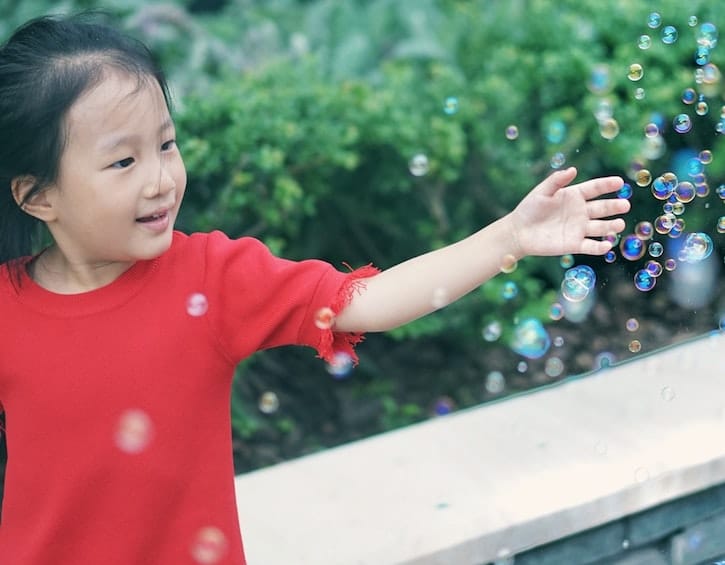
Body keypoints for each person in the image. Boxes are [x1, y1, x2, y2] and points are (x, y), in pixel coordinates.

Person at [0, 13, 630, 565]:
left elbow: (366, 303)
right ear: (37, 194)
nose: (162, 179)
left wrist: (508, 239)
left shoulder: (211, 279)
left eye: (166, 144)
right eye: (123, 161)